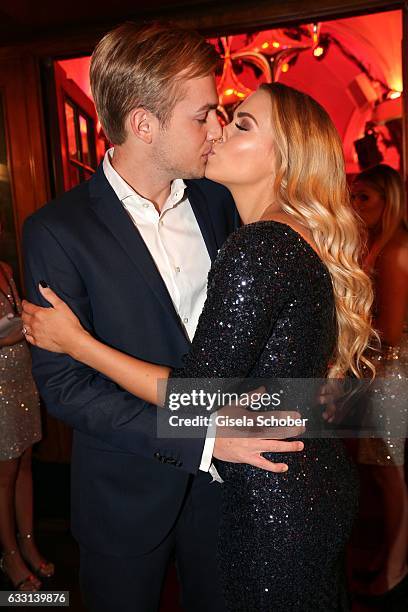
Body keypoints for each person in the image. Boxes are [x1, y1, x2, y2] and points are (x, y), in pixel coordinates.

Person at [22, 82, 376, 611]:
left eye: (237, 123)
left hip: (266, 491)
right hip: (152, 493)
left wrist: (78, 342)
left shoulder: (244, 227)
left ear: (285, 157)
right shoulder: (57, 228)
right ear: (144, 123)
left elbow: (197, 393)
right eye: (209, 115)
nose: (217, 130)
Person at [350, 164, 408, 599]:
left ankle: (396, 567)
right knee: (378, 471)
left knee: (391, 474)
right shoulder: (377, 247)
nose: (354, 205)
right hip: (379, 370)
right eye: (353, 196)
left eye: (364, 197)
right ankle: (388, 554)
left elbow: (388, 332)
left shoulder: (394, 251)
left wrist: (345, 332)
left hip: (393, 372)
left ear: (388, 202)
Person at [0, 259, 53, 591]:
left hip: (22, 373)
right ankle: (9, 554)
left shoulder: (5, 268)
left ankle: (29, 542)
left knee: (26, 464)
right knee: (4, 475)